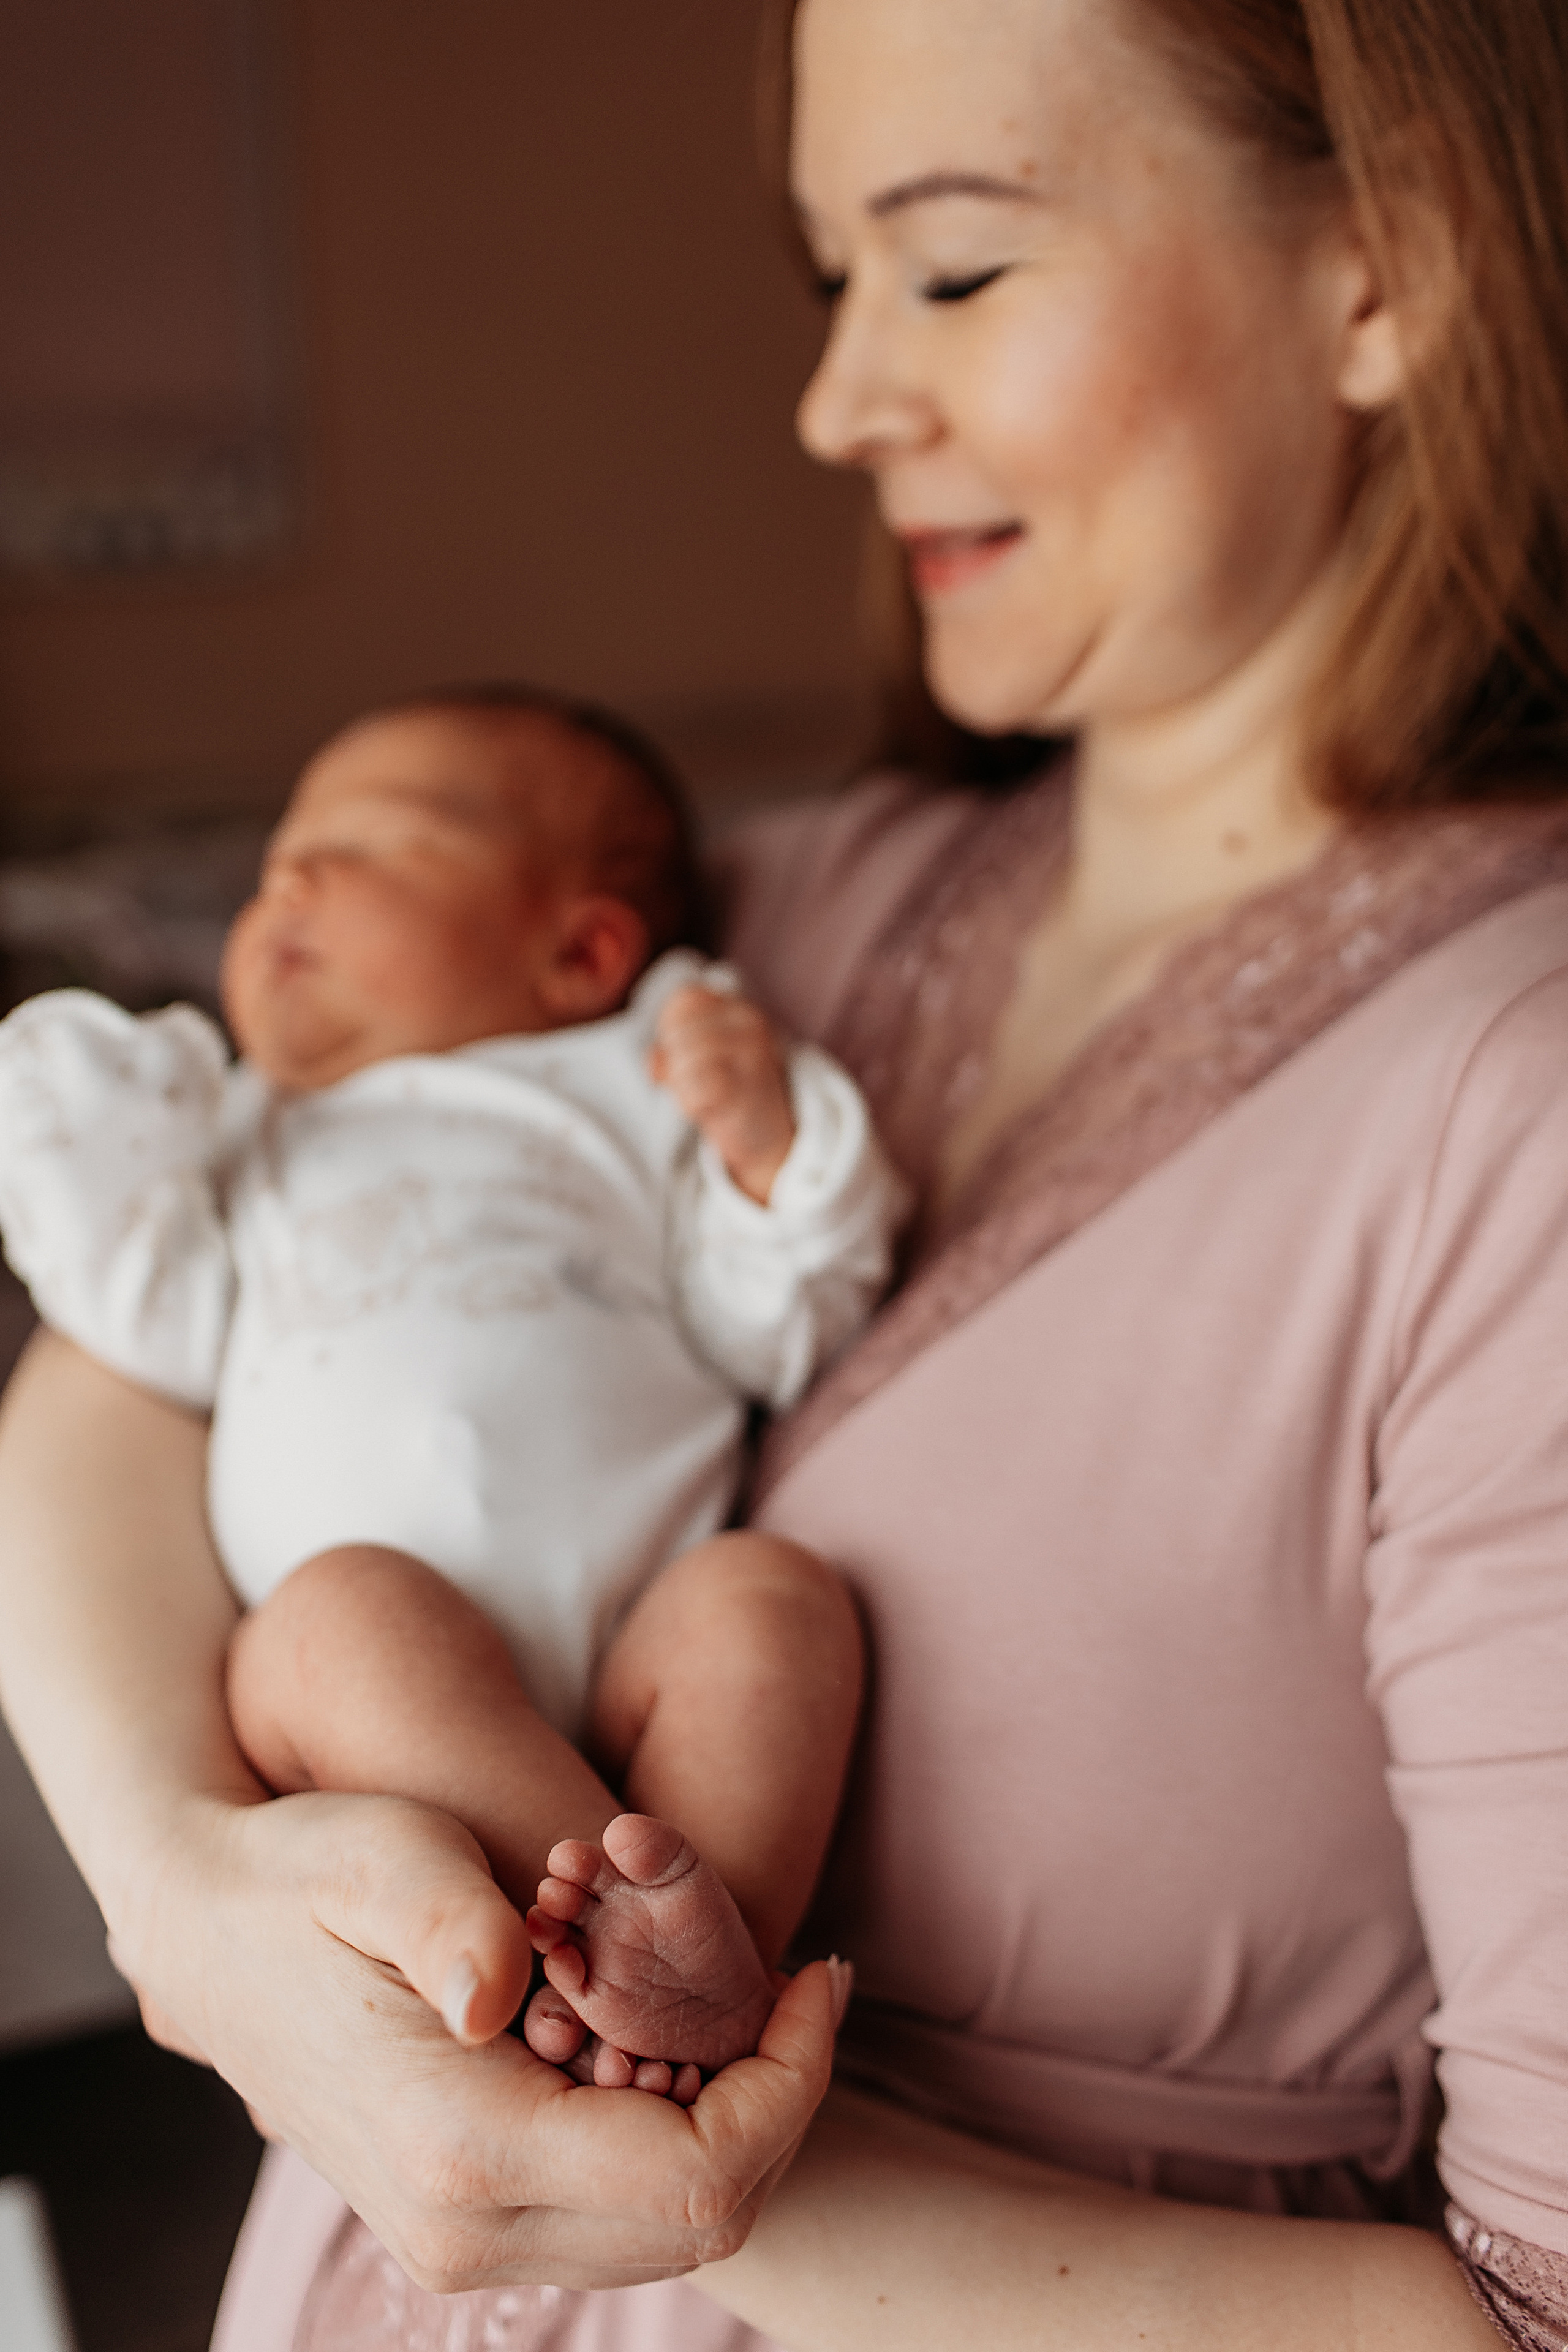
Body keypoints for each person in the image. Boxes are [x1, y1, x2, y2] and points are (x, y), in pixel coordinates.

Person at [0, 0, 1564, 2345]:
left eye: (946, 272)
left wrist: (622, 2159)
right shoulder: (782, 908)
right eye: (828, 277)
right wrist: (190, 1900)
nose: (840, 401)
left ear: (1392, 266)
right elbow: (139, 1365)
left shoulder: (1511, 1108)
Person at [0, 683, 894, 2090]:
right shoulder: (250, 1133)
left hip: (636, 1628)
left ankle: (706, 1966)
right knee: (341, 1614)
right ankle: (635, 1958)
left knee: (776, 1605)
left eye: (378, 844)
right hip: (362, 1682)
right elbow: (141, 1323)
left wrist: (765, 1149)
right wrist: (93, 1146)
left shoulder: (645, 1074)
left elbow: (773, 1326)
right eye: (282, 852)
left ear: (580, 950)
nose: (291, 874)